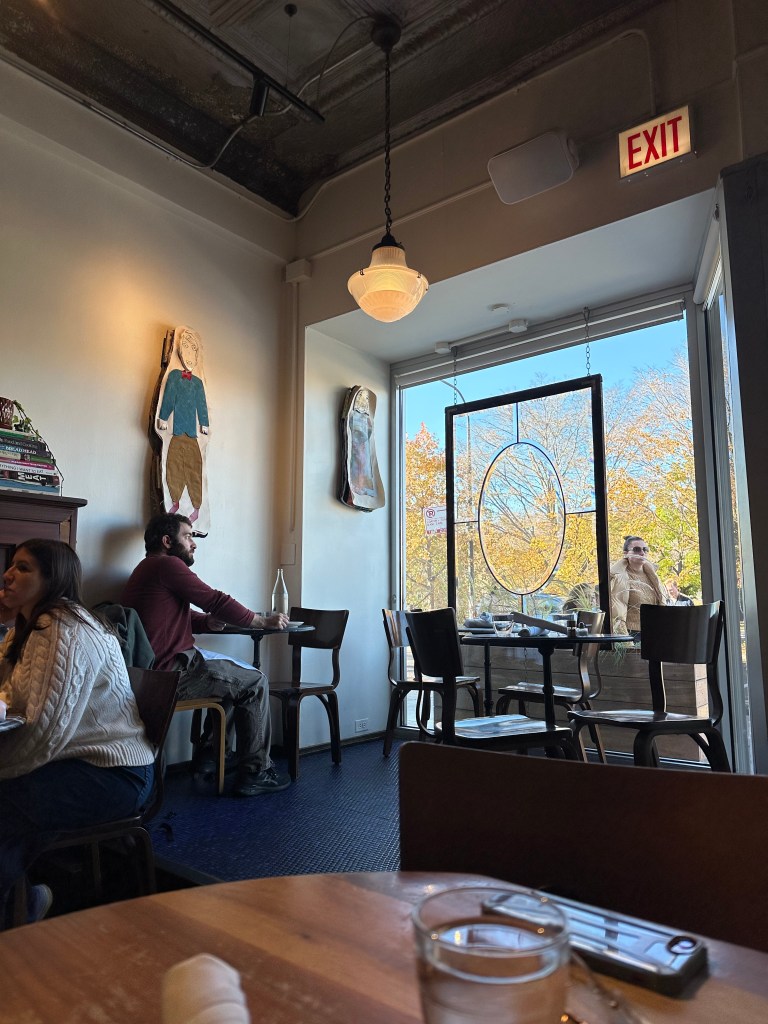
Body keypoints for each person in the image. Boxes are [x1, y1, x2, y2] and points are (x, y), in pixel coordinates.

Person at [0, 539, 155, 928]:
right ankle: (22, 904)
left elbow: (43, 732)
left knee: (6, 802)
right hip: (74, 762)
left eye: (23, 568)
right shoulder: (28, 626)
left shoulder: (63, 628)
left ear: (51, 579)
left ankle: (16, 915)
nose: (7, 575)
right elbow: (6, 694)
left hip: (116, 773)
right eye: (11, 565)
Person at [122, 513, 289, 798]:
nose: (194, 543)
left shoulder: (146, 569)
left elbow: (173, 616)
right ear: (167, 541)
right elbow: (215, 599)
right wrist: (261, 621)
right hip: (170, 674)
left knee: (235, 681)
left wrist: (206, 623)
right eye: (188, 536)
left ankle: (213, 755)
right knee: (254, 681)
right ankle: (256, 772)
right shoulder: (167, 565)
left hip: (151, 674)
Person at [609, 535, 668, 638]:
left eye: (645, 549)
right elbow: (617, 613)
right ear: (626, 553)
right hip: (631, 634)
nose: (642, 553)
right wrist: (626, 641)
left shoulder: (653, 576)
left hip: (655, 631)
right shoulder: (619, 577)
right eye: (637, 549)